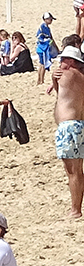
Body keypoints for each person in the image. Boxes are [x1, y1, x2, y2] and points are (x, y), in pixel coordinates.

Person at [52, 46, 84, 219]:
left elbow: (59, 97)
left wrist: (52, 77)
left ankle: (75, 210)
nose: (60, 63)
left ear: (71, 61)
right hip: (79, 124)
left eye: (63, 60)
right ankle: (77, 207)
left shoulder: (66, 74)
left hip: (68, 127)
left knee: (72, 171)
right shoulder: (82, 77)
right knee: (78, 170)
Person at [38, 13, 57, 84]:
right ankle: (41, 80)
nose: (51, 21)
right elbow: (47, 38)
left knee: (41, 64)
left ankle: (39, 80)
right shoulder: (43, 27)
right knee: (43, 64)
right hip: (43, 48)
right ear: (45, 19)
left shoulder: (45, 27)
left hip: (42, 47)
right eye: (50, 19)